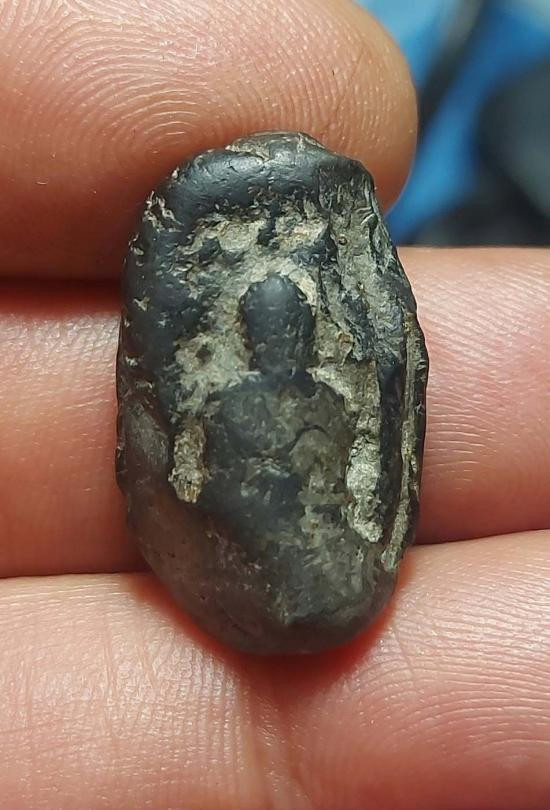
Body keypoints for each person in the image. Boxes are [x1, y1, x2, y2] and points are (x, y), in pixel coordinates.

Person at [0, 0, 548, 807]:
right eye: (267, 327)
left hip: (318, 560)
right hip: (248, 551)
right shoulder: (228, 407)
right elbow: (184, 466)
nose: (282, 338)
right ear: (251, 336)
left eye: (292, 325)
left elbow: (374, 453)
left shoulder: (329, 391)